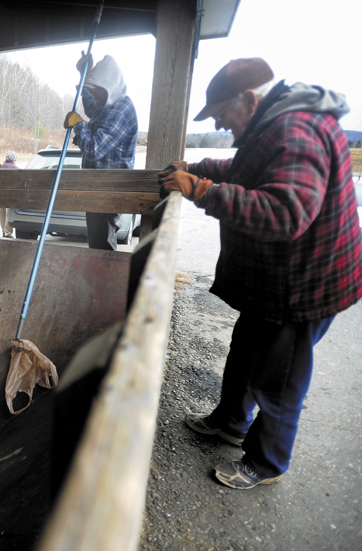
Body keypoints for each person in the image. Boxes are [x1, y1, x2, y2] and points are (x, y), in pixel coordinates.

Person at [159, 58, 362, 489]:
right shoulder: (271, 124)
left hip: (305, 287)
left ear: (249, 99)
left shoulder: (296, 130)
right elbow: (245, 169)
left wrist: (201, 191)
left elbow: (286, 212)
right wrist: (195, 170)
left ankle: (266, 463)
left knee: (279, 379)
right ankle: (230, 422)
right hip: (275, 283)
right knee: (246, 350)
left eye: (221, 116)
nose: (221, 124)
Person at [63, 53, 138, 250]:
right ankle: (99, 278)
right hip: (97, 186)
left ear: (110, 87)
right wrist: (85, 74)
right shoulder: (108, 103)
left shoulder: (122, 109)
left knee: (102, 245)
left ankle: (103, 279)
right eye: (91, 89)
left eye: (96, 89)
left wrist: (79, 124)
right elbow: (91, 108)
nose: (93, 94)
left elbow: (94, 149)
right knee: (96, 243)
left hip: (109, 190)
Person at [0, 151, 19, 238]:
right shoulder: (16, 168)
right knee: (9, 212)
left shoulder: (0, 167)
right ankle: (8, 232)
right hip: (10, 195)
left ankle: (3, 230)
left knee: (2, 212)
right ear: (14, 159)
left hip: (0, 194)